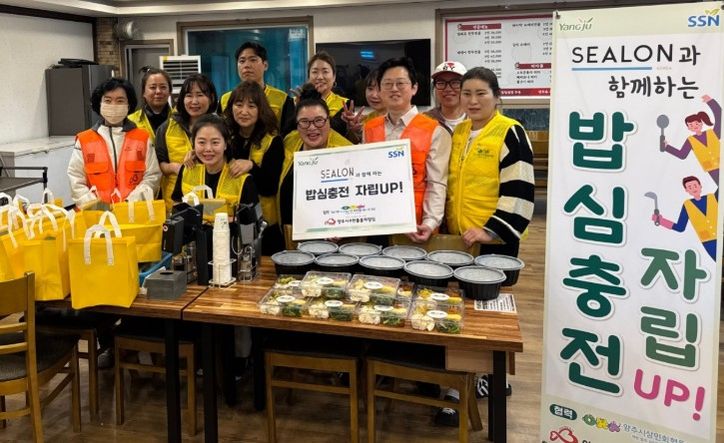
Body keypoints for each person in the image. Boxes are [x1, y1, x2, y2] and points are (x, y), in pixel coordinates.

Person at [438, 66, 535, 426]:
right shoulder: (460, 132)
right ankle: (467, 379)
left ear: (497, 96)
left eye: (481, 93)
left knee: (486, 316)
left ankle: (477, 381)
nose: (473, 100)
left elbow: (520, 188)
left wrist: (490, 231)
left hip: (493, 242)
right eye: (467, 93)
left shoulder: (510, 131)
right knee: (460, 312)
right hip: (459, 240)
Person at [363, 57, 452, 244]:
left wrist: (430, 222)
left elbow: (436, 183)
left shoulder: (435, 130)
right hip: (376, 222)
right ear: (380, 90)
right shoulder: (369, 128)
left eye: (401, 83)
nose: (394, 89)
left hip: (415, 226)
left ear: (414, 88)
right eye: (387, 84)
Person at [68, 77, 161, 206]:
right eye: (108, 100)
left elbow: (152, 176)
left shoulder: (142, 138)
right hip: (96, 214)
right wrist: (97, 206)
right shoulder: (84, 140)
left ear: (128, 105)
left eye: (120, 101)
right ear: (99, 104)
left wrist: (130, 204)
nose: (113, 105)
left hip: (133, 212)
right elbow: (75, 179)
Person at [223, 80, 285, 254]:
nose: (244, 111)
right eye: (238, 104)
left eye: (251, 106)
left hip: (265, 224)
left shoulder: (272, 140)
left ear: (261, 109)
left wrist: (251, 166)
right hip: (230, 219)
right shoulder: (225, 137)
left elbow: (270, 187)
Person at [279, 84, 352, 227]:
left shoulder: (347, 152)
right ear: (297, 124)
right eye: (304, 122)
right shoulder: (290, 141)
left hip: (333, 232)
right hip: (289, 233)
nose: (312, 128)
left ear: (329, 120)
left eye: (319, 120)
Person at [171, 113, 258, 221]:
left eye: (215, 142)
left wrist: (227, 220)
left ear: (225, 144)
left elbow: (251, 222)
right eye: (201, 142)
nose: (208, 149)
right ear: (193, 142)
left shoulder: (242, 179)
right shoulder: (187, 170)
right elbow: (177, 206)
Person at [155, 73, 217, 211]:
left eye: (200, 95)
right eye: (189, 95)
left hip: (212, 200)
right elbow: (159, 163)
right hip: (175, 202)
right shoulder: (167, 127)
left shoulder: (220, 127)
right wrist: (174, 167)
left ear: (211, 98)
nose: (194, 101)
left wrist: (200, 154)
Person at [219, 41, 296, 135]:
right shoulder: (225, 99)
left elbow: (289, 135)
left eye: (253, 60)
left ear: (265, 65)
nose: (246, 65)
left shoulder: (282, 99)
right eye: (242, 61)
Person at [652, 175, 717, 261]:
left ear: (700, 185)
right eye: (689, 187)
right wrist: (660, 220)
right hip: (708, 241)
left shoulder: (713, 197)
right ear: (686, 190)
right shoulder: (687, 205)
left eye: (695, 185)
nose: (693, 189)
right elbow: (680, 227)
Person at [662, 95, 721, 182]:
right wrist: (667, 147)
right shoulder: (690, 140)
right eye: (691, 125)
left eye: (696, 123)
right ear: (688, 128)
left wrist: (711, 102)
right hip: (711, 168)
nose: (694, 126)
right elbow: (682, 154)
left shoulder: (712, 133)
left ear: (701, 123)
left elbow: (720, 117)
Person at [307, 51, 349, 136]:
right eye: (315, 72)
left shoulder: (344, 105)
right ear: (308, 76)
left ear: (334, 77)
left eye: (325, 72)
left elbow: (341, 133)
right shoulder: (295, 102)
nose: (320, 77)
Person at [127, 67, 173, 144]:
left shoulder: (179, 120)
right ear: (143, 92)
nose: (158, 91)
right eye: (153, 87)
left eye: (163, 87)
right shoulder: (130, 121)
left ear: (170, 91)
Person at [424, 61, 467, 134]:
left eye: (455, 82)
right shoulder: (424, 120)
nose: (448, 89)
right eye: (441, 83)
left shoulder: (477, 119)